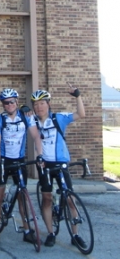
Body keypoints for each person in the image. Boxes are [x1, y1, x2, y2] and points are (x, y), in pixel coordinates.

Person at [31, 85, 86, 249]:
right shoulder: (32, 121)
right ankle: (50, 233)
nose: (39, 107)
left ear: (48, 104)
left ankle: (75, 235)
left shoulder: (58, 118)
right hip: (44, 164)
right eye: (36, 104)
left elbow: (81, 114)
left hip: (60, 163)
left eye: (42, 103)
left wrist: (78, 96)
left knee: (70, 199)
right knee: (47, 199)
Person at [0, 88, 43, 247]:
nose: (9, 105)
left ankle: (27, 231)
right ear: (3, 105)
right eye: (6, 103)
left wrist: (39, 155)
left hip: (20, 161)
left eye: (12, 102)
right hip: (4, 161)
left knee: (22, 196)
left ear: (17, 102)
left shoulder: (26, 117)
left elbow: (36, 136)